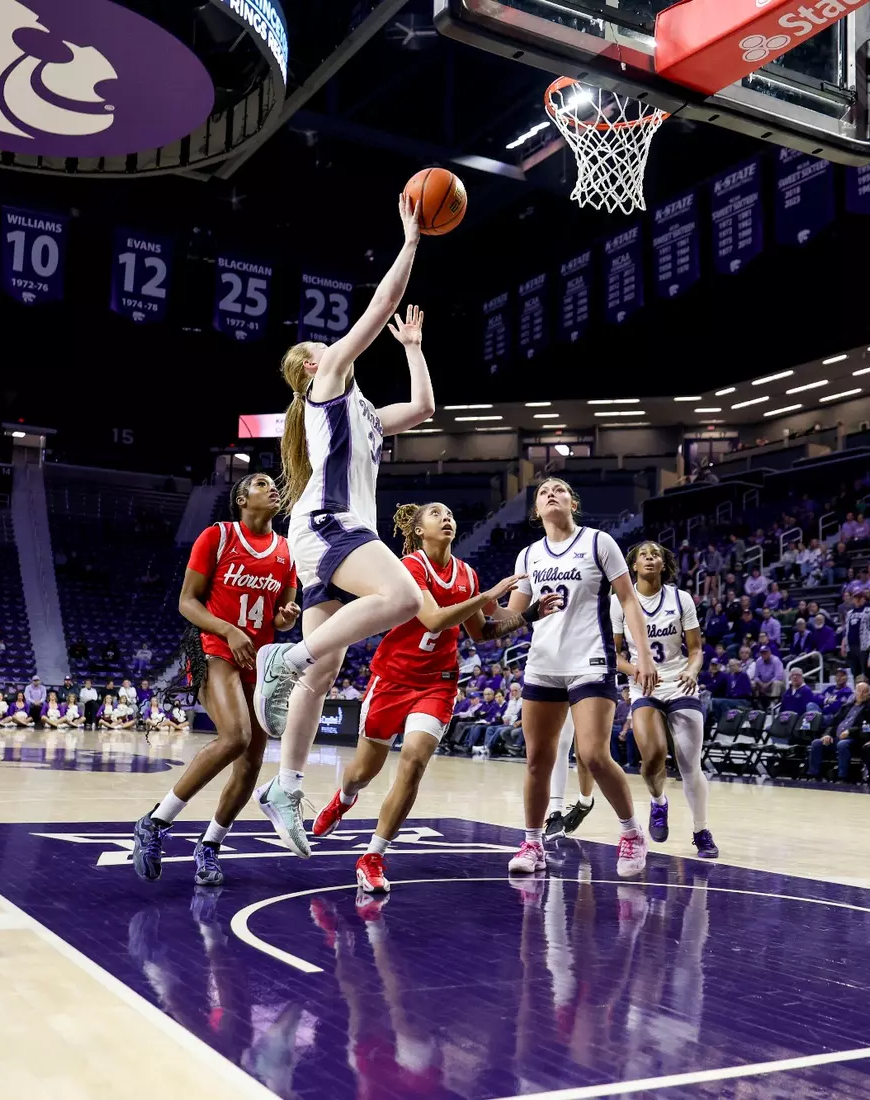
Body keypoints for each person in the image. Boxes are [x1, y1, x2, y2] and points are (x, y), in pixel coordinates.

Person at [248, 198, 434, 856]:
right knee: (405, 597)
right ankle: (283, 659)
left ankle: (285, 785)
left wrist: (412, 349)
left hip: (319, 533)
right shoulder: (323, 384)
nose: (331, 347)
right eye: (319, 348)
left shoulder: (362, 412)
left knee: (322, 675)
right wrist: (410, 242)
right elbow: (379, 306)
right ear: (308, 367)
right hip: (331, 525)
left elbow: (424, 406)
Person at [311, 502, 554, 892]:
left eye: (451, 514)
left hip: (437, 684)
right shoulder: (410, 568)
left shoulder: (467, 574)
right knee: (362, 772)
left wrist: (528, 616)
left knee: (413, 761)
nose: (447, 518)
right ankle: (344, 797)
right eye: (437, 513)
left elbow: (483, 633)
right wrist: (486, 594)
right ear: (419, 529)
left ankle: (373, 856)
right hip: (391, 679)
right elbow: (435, 619)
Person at [133, 473, 301, 887]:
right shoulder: (218, 536)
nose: (272, 487)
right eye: (262, 483)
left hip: (257, 658)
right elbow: (187, 602)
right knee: (236, 737)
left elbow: (281, 614)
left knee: (249, 766)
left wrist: (285, 618)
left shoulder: (286, 550)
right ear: (242, 498)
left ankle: (209, 845)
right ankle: (155, 822)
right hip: (213, 647)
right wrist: (227, 629)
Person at [496, 478, 658, 878]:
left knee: (593, 755)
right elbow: (510, 619)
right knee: (537, 761)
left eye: (560, 489)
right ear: (536, 510)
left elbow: (628, 601)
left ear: (573, 502)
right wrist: (472, 602)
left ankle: (632, 833)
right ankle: (533, 843)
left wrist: (644, 655)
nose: (551, 493)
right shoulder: (528, 555)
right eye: (543, 491)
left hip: (590, 660)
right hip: (543, 664)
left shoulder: (598, 542)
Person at [607, 542, 717, 858]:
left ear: (663, 563)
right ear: (633, 565)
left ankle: (701, 830)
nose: (651, 557)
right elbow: (614, 655)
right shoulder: (619, 603)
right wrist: (636, 670)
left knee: (689, 764)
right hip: (645, 687)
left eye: (656, 554)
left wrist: (694, 671)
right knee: (653, 757)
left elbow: (695, 650)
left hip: (679, 683)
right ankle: (658, 802)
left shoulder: (680, 599)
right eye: (644, 554)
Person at [807, 680, 870, 780]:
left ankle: (842, 777)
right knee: (817, 743)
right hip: (837, 737)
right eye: (859, 691)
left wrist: (850, 731)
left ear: (869, 694)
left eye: (864, 691)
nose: (861, 694)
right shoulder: (846, 706)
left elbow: (868, 727)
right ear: (855, 692)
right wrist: (827, 734)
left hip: (855, 740)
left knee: (843, 744)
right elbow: (833, 723)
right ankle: (814, 775)